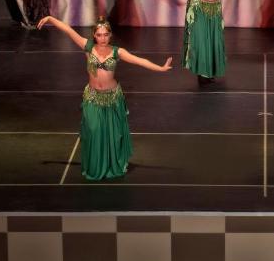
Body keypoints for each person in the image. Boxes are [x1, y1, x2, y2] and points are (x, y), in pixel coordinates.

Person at [36, 15, 172, 180]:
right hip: (93, 97)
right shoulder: (87, 46)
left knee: (112, 135)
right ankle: (96, 165)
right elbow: (68, 30)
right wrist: (50, 19)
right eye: (99, 35)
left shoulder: (117, 52)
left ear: (110, 35)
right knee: (94, 131)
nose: (103, 38)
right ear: (94, 35)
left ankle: (112, 164)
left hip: (112, 99)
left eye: (106, 35)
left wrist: (160, 68)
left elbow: (139, 61)